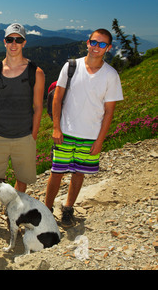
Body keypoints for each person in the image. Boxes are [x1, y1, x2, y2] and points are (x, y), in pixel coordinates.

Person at [45, 28, 123, 227]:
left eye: (102, 44)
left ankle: (68, 208)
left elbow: (109, 112)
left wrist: (99, 141)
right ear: (87, 43)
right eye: (94, 42)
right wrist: (56, 127)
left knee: (78, 173)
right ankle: (46, 210)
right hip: (65, 131)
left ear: (109, 48)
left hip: (90, 135)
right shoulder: (71, 66)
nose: (97, 47)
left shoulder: (111, 75)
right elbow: (58, 97)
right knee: (57, 172)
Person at [0, 23, 45, 236]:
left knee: (21, 177)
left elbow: (38, 107)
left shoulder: (36, 72)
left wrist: (33, 136)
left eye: (18, 39)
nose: (14, 44)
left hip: (24, 135)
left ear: (24, 42)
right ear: (4, 42)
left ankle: (14, 214)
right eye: (10, 39)